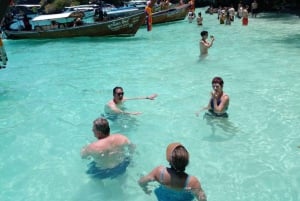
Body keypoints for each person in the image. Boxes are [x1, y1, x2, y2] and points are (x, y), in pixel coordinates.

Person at [138, 142, 207, 201]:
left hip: (163, 198)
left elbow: (141, 182)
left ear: (168, 159)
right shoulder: (192, 182)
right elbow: (202, 198)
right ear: (187, 162)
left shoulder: (159, 172)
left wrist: (145, 190)